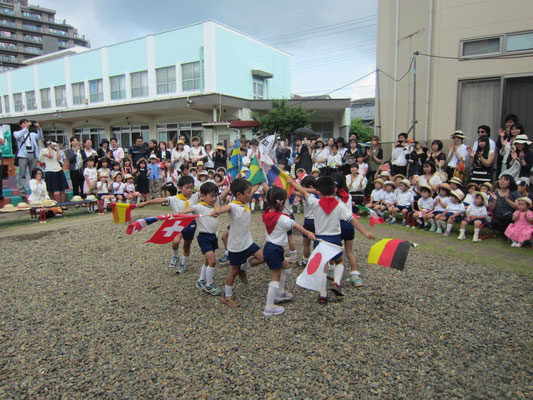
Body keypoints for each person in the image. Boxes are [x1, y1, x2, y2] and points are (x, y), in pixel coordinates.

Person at [289, 175, 375, 303]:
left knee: (323, 266)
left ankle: (323, 295)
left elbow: (303, 192)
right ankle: (336, 283)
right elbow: (352, 220)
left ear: (318, 192)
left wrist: (291, 182)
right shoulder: (340, 206)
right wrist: (365, 233)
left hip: (320, 240)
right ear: (335, 190)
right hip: (335, 239)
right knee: (339, 261)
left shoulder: (315, 202)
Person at [209, 178, 265, 308]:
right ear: (239, 194)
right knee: (232, 272)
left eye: (250, 192)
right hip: (236, 246)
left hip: (248, 241)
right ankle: (227, 296)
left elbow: (255, 188)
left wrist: (260, 180)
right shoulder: (234, 205)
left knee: (262, 257)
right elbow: (225, 207)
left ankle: (243, 268)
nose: (250, 195)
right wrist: (217, 211)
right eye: (248, 193)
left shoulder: (244, 201)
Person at [261, 186, 315, 316]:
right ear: (282, 203)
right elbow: (298, 227)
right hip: (275, 249)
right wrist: (309, 233)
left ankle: (280, 293)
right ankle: (269, 307)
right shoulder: (283, 219)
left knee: (286, 267)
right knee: (274, 278)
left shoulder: (267, 213)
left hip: (271, 248)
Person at [178, 182, 232, 296]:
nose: (214, 198)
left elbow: (225, 192)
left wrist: (232, 182)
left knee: (207, 261)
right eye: (211, 196)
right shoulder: (200, 207)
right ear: (202, 196)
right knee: (213, 261)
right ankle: (209, 285)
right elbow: (189, 209)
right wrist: (181, 212)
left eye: (215, 196)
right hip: (204, 237)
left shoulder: (215, 204)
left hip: (213, 236)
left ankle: (201, 281)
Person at [139, 175, 200, 273]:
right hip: (178, 223)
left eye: (191, 187)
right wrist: (147, 202)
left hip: (190, 223)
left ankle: (183, 265)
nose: (189, 190)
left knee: (187, 245)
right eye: (187, 188)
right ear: (179, 188)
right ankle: (175, 256)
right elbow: (160, 200)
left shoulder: (195, 196)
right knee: (175, 241)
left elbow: (206, 190)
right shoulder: (174, 199)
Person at [333, 173, 362, 287]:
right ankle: (355, 277)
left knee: (334, 249)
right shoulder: (348, 195)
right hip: (349, 224)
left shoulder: (334, 197)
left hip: (338, 224)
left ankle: (332, 271)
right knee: (349, 251)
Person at [14, 119, 44, 199]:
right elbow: (18, 136)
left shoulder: (32, 134)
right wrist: (26, 128)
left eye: (27, 123)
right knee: (22, 173)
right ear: (21, 125)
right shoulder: (17, 133)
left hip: (32, 154)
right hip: (23, 155)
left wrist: (38, 128)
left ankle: (34, 188)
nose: (26, 124)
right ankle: (21, 190)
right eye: (24, 123)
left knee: (33, 172)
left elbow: (40, 137)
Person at [299, 175, 318, 267]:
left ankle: (305, 260)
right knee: (317, 242)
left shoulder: (308, 195)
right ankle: (316, 261)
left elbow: (299, 193)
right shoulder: (320, 194)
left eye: (304, 187)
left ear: (310, 187)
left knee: (306, 243)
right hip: (318, 221)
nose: (303, 189)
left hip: (309, 221)